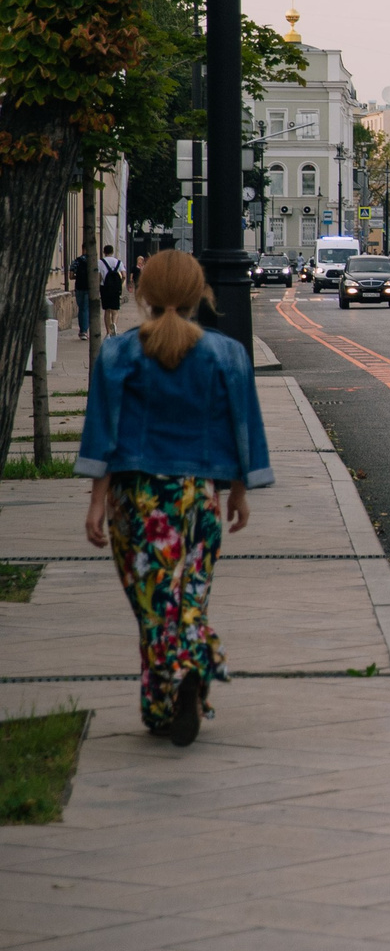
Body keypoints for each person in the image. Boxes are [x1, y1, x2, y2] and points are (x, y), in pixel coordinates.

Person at [75, 251, 267, 746]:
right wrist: (239, 492)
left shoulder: (119, 353)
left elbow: (104, 430)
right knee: (188, 599)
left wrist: (96, 502)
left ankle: (179, 683)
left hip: (136, 499)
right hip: (197, 497)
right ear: (199, 293)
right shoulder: (226, 354)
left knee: (154, 604)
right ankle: (181, 686)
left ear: (142, 292)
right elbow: (242, 426)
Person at [97, 247, 124, 335]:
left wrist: (98, 286)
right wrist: (120, 283)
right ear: (112, 252)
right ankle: (114, 325)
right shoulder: (118, 262)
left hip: (104, 287)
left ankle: (108, 331)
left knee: (107, 310)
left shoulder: (100, 262)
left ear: (103, 252)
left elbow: (99, 276)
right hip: (115, 288)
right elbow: (124, 275)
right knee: (115, 310)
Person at [69, 248, 90, 340]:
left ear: (83, 249)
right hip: (89, 288)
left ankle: (82, 330)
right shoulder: (93, 261)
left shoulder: (76, 261)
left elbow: (71, 276)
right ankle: (85, 331)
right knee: (86, 309)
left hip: (79, 287)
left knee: (81, 309)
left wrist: (77, 277)